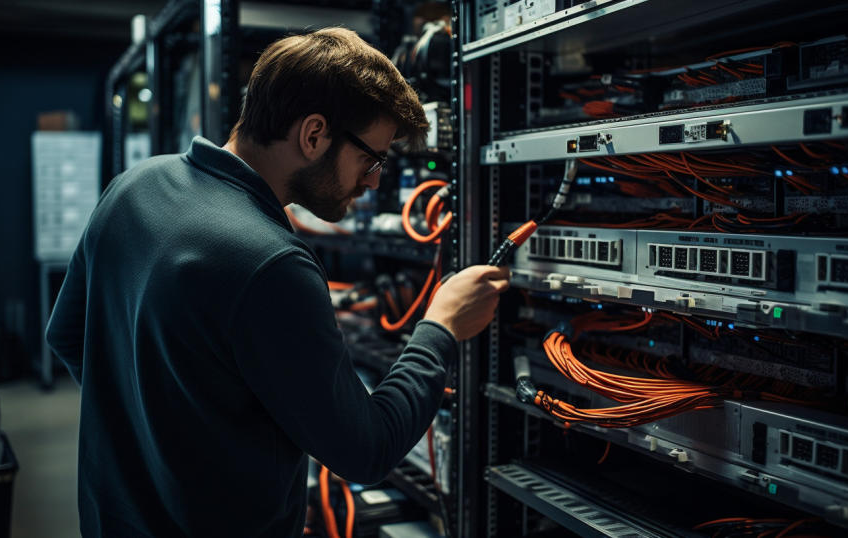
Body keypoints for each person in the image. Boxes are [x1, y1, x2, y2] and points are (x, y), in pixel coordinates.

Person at [46, 27, 509, 537]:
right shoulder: (271, 263)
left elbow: (67, 336)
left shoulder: (132, 187)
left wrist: (153, 437)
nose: (375, 179)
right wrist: (440, 326)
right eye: (371, 158)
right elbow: (366, 449)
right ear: (313, 135)